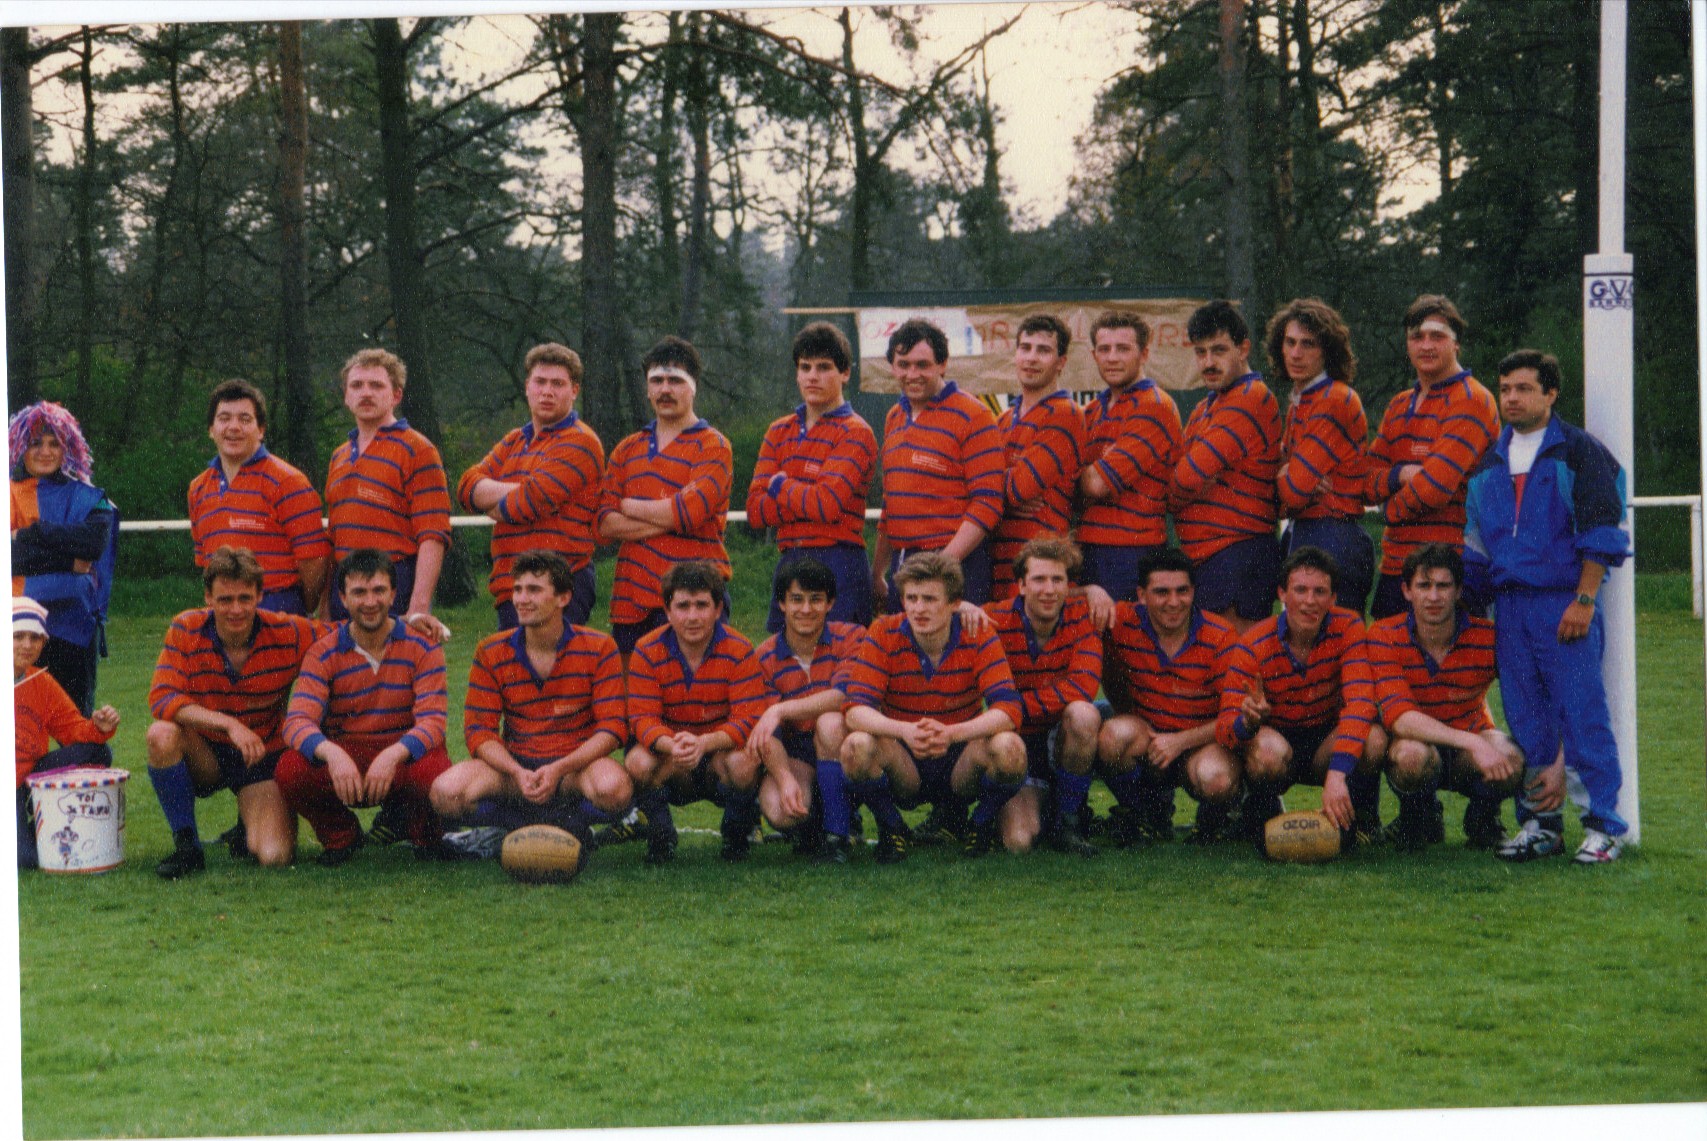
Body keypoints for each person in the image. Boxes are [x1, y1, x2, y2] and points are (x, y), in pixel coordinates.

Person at [1463, 349, 1632, 863]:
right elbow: (1476, 548)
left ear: (1551, 393)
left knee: (1582, 715)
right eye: (1505, 389)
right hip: (1509, 609)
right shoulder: (1488, 463)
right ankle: (1541, 824)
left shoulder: (1579, 452)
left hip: (1563, 601)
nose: (1511, 398)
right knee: (1526, 720)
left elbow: (1602, 529)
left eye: (1523, 388)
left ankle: (1604, 826)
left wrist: (1584, 598)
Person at [429, 550, 630, 853]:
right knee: (446, 792)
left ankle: (572, 824)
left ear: (563, 597)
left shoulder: (599, 647)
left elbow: (612, 729)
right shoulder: (491, 651)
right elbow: (479, 732)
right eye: (518, 589)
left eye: (534, 590)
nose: (521, 599)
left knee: (614, 789)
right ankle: (514, 827)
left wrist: (560, 768)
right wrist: (515, 771)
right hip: (517, 771)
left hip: (573, 770)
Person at [145, 546, 323, 877]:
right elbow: (161, 697)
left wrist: (410, 623)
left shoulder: (288, 631)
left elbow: (346, 636)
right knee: (161, 734)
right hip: (206, 753)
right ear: (208, 597)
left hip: (260, 754)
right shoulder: (186, 628)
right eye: (225, 600)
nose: (236, 609)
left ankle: (247, 825)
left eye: (245, 598)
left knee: (275, 856)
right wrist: (228, 724)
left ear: (260, 596)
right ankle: (187, 847)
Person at [839, 552, 1027, 861]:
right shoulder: (883, 632)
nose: (918, 608)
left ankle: (980, 825)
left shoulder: (978, 632)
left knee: (1010, 748)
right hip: (904, 758)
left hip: (960, 759)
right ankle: (892, 827)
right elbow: (855, 709)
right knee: (855, 746)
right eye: (911, 598)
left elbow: (1008, 709)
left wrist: (952, 733)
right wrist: (904, 730)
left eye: (929, 599)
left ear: (955, 603)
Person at [278, 548, 452, 865]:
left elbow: (433, 722)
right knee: (291, 769)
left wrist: (393, 755)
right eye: (359, 592)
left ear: (393, 594)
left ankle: (425, 836)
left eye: (378, 591)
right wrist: (333, 755)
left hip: (399, 755)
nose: (370, 602)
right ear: (343, 599)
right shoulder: (323, 652)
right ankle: (341, 837)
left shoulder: (423, 646)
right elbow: (297, 722)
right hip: (348, 756)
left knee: (433, 769)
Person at [1216, 546, 1387, 845]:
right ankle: (1261, 812)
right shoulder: (1253, 644)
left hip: (1325, 743)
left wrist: (1337, 775)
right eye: (1300, 590)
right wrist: (1248, 722)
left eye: (1320, 592)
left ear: (1333, 598)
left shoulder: (1348, 627)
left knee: (1374, 739)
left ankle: (1357, 818)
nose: (1310, 601)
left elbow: (1360, 703)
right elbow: (1224, 728)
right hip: (1278, 747)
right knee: (1266, 751)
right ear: (1282, 593)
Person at [1367, 543, 1522, 851]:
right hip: (1418, 745)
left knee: (1512, 757)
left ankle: (1483, 820)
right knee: (1410, 756)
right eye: (1424, 586)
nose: (1434, 596)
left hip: (1467, 745)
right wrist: (1474, 742)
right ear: (1407, 591)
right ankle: (1417, 817)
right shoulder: (1384, 635)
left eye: (1443, 586)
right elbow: (1400, 718)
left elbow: (1530, 694)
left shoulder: (1488, 637)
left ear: (1458, 591)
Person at [615, 560, 767, 865]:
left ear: (718, 608)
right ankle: (661, 836)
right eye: (683, 606)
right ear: (668, 610)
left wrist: (705, 743)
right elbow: (642, 719)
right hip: (673, 755)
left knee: (746, 761)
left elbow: (748, 719)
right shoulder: (647, 649)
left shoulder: (739, 649)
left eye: (702, 605)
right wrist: (675, 745)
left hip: (719, 753)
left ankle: (737, 834)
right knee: (637, 761)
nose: (693, 616)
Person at [1361, 296, 1498, 619]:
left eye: (1437, 336)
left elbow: (1434, 488)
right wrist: (1401, 474)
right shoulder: (1399, 404)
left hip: (1450, 571)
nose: (1426, 345)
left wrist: (1389, 510)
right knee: (1387, 652)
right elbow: (1364, 482)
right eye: (1416, 336)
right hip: (1396, 569)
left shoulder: (1471, 399)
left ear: (1456, 344)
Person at [1095, 547, 1242, 846]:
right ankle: (1143, 813)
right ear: (1141, 594)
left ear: (1193, 592)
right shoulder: (1121, 621)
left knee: (1216, 779)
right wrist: (1090, 590)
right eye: (1162, 592)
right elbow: (1057, 600)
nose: (1174, 602)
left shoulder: (1220, 636)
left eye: (1182, 591)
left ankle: (1215, 819)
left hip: (1200, 743)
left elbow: (1235, 717)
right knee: (1112, 736)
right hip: (1149, 737)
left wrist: (1180, 741)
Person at [598, 336, 733, 657]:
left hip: (694, 598)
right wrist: (671, 515)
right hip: (631, 600)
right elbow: (604, 524)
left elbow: (690, 512)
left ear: (693, 387)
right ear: (647, 388)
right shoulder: (627, 449)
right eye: (656, 381)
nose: (665, 389)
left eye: (675, 380)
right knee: (634, 688)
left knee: (697, 685)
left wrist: (629, 506)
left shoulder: (713, 446)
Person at [457, 343, 605, 630]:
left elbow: (530, 502)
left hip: (560, 586)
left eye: (558, 384)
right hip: (511, 585)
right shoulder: (515, 439)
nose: (547, 391)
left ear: (574, 390)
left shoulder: (581, 441)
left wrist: (496, 499)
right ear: (527, 387)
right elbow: (466, 487)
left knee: (553, 661)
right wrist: (522, 489)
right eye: (540, 382)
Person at [745, 321, 878, 632]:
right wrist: (807, 496)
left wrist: (780, 485)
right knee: (785, 659)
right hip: (789, 559)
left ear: (845, 373)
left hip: (839, 562)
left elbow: (826, 505)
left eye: (824, 367)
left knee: (841, 657)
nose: (812, 376)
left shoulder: (856, 432)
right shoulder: (779, 430)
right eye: (805, 367)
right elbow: (755, 511)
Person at [869, 318, 1005, 611]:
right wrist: (878, 571)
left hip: (957, 565)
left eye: (922, 365)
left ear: (942, 364)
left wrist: (943, 565)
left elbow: (988, 503)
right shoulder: (894, 417)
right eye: (903, 365)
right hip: (905, 565)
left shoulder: (974, 415)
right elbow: (891, 504)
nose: (912, 374)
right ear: (892, 367)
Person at [981, 536, 1102, 856]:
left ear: (1068, 586)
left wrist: (1010, 709)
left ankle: (1069, 819)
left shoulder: (1082, 615)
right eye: (1039, 579)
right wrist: (961, 607)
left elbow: (1082, 687)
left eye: (1057, 580)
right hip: (1017, 740)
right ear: (1021, 585)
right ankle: (1042, 807)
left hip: (1060, 734)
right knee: (1019, 843)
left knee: (1084, 713)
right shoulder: (993, 618)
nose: (1049, 589)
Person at [1167, 300, 1282, 632]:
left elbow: (1184, 479)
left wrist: (1185, 487)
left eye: (1218, 350)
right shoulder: (1205, 406)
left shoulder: (1250, 397)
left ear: (1243, 349)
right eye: (1200, 352)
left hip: (1237, 553)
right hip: (1209, 556)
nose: (1208, 362)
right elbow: (1180, 480)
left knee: (1234, 658)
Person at [747, 557, 865, 864]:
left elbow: (844, 695)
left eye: (816, 599)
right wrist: (784, 777)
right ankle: (812, 826)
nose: (806, 609)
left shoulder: (852, 637)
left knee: (829, 723)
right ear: (782, 604)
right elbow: (768, 733)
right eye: (797, 599)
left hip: (847, 745)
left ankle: (837, 835)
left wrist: (781, 709)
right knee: (780, 810)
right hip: (798, 752)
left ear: (830, 603)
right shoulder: (764, 657)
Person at [324, 347, 451, 620]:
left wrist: (418, 607)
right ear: (346, 396)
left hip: (394, 582)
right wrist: (325, 609)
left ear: (396, 395)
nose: (366, 393)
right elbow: (333, 539)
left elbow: (433, 535)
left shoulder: (418, 449)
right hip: (345, 585)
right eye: (357, 385)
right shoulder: (339, 456)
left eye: (376, 385)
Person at [187, 379, 333, 616]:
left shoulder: (288, 482)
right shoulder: (198, 489)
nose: (234, 427)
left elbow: (314, 561)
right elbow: (206, 563)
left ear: (261, 430)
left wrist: (295, 608)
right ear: (211, 429)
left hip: (278, 609)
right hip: (225, 613)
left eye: (245, 419)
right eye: (224, 418)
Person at [9, 401, 117, 715]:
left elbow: (92, 545)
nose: (45, 451)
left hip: (74, 626)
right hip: (17, 625)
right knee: (20, 725)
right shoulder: (8, 492)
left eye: (54, 443)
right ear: (20, 445)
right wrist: (70, 563)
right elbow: (10, 558)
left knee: (76, 722)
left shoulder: (90, 497)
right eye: (36, 443)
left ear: (67, 447)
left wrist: (31, 532)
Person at [1267, 299, 1374, 614]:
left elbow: (1294, 491)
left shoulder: (1333, 399)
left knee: (1334, 638)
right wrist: (1289, 475)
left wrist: (1286, 476)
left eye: (1308, 344)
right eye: (1290, 342)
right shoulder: (1301, 401)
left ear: (1327, 350)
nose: (1296, 353)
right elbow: (1289, 491)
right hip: (1306, 531)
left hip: (1334, 535)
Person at [1077, 310, 1182, 602]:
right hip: (1088, 548)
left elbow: (1096, 485)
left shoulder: (1154, 405)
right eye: (1104, 349)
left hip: (1132, 550)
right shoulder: (1092, 411)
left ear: (1144, 353)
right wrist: (1094, 468)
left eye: (1123, 349)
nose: (1112, 358)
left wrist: (1083, 471)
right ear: (1094, 355)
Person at [14, 596, 118, 870]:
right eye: (17, 636)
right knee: (24, 860)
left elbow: (72, 729)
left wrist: (98, 727)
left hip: (30, 775)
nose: (27, 645)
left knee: (98, 752)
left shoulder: (41, 681)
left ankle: (42, 816)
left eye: (35, 637)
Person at [989, 315, 1086, 602]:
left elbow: (1019, 489)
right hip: (998, 563)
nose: (1031, 357)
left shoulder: (1065, 413)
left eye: (1043, 350)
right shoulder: (1003, 420)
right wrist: (999, 491)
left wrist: (992, 490)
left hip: (1041, 570)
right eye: (1025, 348)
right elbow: (991, 487)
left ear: (1061, 362)